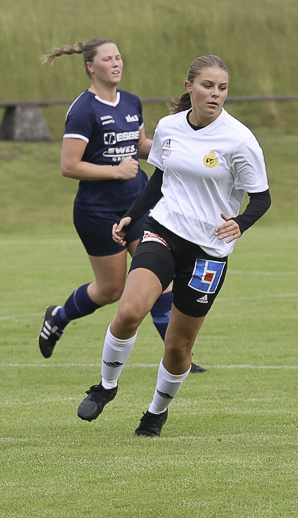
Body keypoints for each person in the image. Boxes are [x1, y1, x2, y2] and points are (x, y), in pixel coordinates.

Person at [76, 55, 271, 437]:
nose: (215, 94)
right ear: (189, 87)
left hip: (208, 252)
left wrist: (240, 223)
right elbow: (159, 178)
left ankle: (156, 412)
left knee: (179, 347)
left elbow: (261, 198)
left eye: (222, 88)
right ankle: (106, 387)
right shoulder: (169, 127)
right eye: (207, 86)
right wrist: (132, 215)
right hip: (163, 230)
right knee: (129, 311)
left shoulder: (240, 140)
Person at [38, 38, 206, 373]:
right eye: (108, 59)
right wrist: (115, 171)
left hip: (139, 206)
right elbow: (69, 165)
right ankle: (58, 316)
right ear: (90, 66)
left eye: (118, 57)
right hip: (97, 212)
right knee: (111, 289)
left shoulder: (131, 101)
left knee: (160, 278)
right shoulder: (83, 110)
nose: (116, 63)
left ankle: (179, 358)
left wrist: (178, 152)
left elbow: (139, 144)